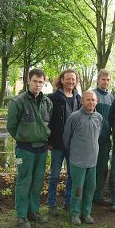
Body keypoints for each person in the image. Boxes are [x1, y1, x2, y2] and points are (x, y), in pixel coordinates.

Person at [7, 68, 53, 228]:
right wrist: (24, 138)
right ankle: (21, 215)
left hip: (42, 149)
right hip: (25, 150)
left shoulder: (48, 103)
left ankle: (34, 212)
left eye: (41, 82)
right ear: (28, 81)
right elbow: (11, 127)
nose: (38, 85)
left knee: (37, 182)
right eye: (35, 81)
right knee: (24, 181)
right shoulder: (18, 102)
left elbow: (49, 124)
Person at [63, 90, 103, 225]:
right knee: (78, 189)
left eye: (93, 100)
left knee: (90, 188)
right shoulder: (74, 117)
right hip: (77, 161)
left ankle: (86, 213)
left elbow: (98, 135)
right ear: (82, 101)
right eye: (88, 100)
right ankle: (75, 214)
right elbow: (66, 138)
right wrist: (75, 151)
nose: (91, 102)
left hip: (92, 161)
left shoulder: (98, 117)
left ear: (96, 101)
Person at [47, 69, 81, 216]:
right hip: (57, 144)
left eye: (73, 79)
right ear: (62, 80)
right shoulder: (52, 98)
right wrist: (49, 140)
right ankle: (52, 204)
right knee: (54, 175)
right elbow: (47, 121)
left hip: (73, 144)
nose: (71, 82)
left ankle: (68, 202)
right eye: (68, 79)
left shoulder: (79, 98)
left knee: (72, 175)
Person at [92, 69, 114, 206]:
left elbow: (112, 118)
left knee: (102, 168)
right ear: (98, 80)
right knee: (90, 167)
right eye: (103, 79)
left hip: (105, 138)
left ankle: (98, 195)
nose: (105, 82)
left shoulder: (111, 97)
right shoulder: (92, 94)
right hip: (92, 138)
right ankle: (87, 194)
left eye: (108, 80)